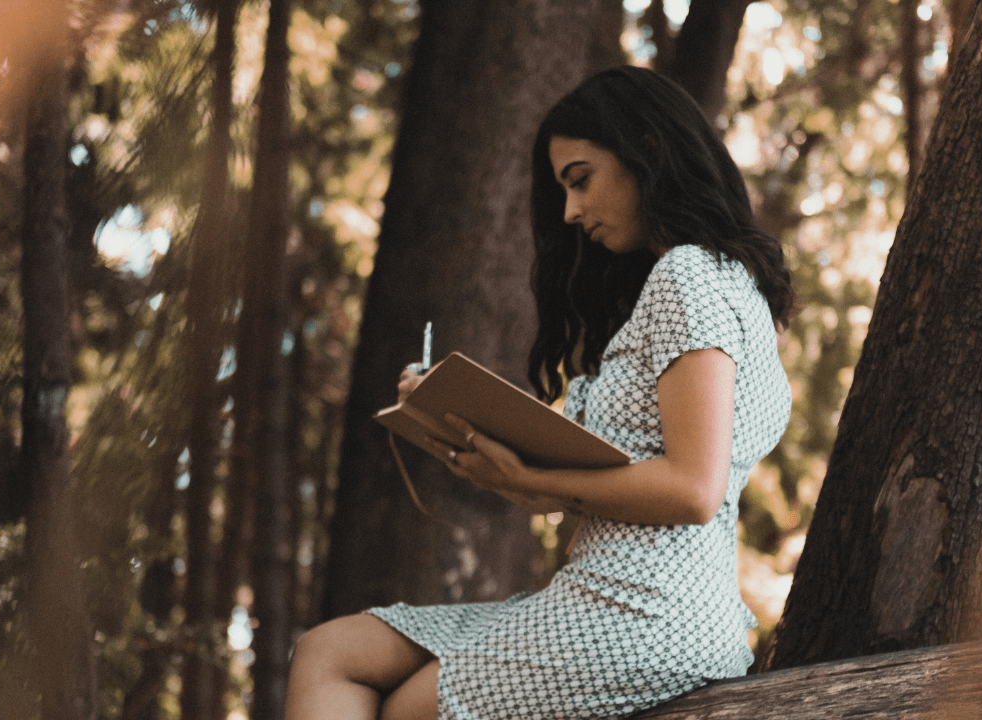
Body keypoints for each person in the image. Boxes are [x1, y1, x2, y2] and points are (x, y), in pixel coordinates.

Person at [285, 65, 796, 720]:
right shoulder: (725, 287)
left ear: (645, 147)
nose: (569, 211)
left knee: (404, 709)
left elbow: (694, 489)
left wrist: (540, 485)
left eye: (580, 180)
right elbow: (612, 467)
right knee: (331, 651)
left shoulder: (689, 275)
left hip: (646, 615)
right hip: (614, 598)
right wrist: (476, 438)